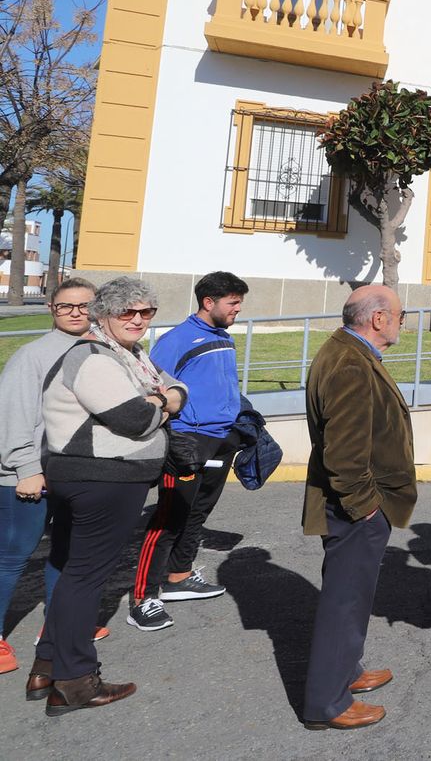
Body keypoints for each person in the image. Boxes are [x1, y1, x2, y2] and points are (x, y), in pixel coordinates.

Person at [34, 277, 183, 712]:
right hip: (102, 478)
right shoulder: (94, 357)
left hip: (101, 477)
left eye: (147, 312)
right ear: (103, 315)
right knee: (85, 576)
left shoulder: (131, 356)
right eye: (127, 312)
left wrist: (165, 396)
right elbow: (135, 418)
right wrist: (163, 402)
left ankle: (48, 668)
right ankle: (75, 681)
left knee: (72, 570)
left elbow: (176, 386)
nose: (138, 319)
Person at [300, 284, 418, 731]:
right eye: (401, 317)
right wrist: (364, 505)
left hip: (355, 505)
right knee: (343, 601)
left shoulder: (348, 350)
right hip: (356, 507)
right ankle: (326, 704)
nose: (403, 324)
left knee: (350, 595)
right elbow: (344, 453)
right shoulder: (351, 363)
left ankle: (346, 673)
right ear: (379, 319)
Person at [127, 271, 249, 631]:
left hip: (221, 438)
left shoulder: (223, 337)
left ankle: (178, 576)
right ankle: (143, 598)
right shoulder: (176, 340)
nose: (237, 310)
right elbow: (154, 388)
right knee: (168, 519)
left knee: (197, 513)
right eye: (233, 302)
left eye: (239, 303)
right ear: (208, 302)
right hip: (186, 440)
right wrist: (171, 436)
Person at [0, 278, 99, 676]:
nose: (76, 312)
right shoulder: (33, 355)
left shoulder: (103, 349)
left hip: (76, 473)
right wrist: (26, 468)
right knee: (12, 556)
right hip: (29, 474)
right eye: (66, 306)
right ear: (51, 310)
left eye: (84, 305)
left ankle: (57, 629)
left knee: (67, 552)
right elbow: (13, 416)